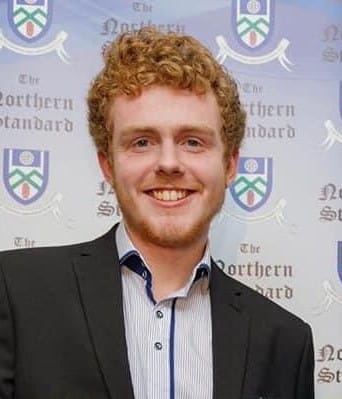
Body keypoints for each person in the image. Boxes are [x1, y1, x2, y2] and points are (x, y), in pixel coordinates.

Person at [0, 28, 314, 399]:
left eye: (193, 142)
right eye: (142, 142)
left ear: (230, 165)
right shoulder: (14, 291)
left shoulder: (285, 341)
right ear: (107, 165)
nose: (168, 162)